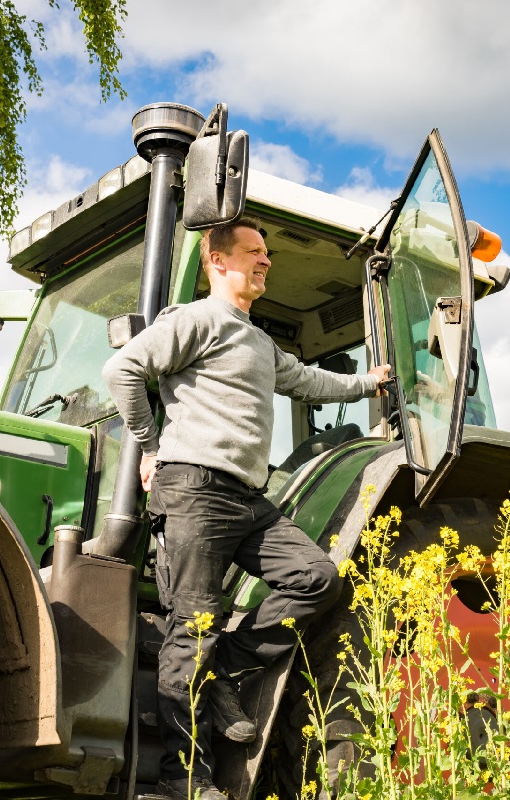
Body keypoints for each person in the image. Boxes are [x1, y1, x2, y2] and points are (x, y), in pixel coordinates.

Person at [103, 217, 391, 800]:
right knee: (192, 628)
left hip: (245, 498)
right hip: (194, 490)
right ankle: (187, 779)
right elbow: (122, 370)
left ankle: (226, 668)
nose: (266, 262)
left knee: (316, 578)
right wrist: (150, 446)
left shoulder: (259, 342)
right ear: (218, 262)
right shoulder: (195, 321)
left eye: (266, 255)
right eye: (254, 253)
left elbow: (311, 381)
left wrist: (367, 384)